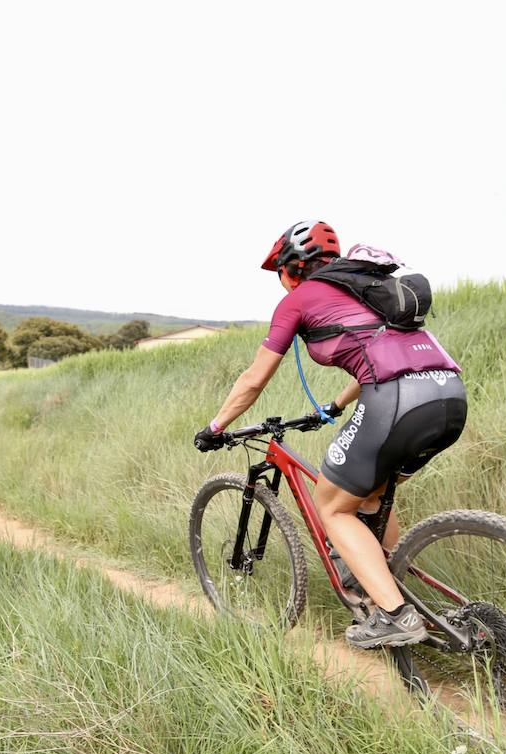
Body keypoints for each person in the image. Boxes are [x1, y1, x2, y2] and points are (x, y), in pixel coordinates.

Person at [194, 221, 467, 649]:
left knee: (334, 507)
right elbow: (380, 351)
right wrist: (336, 407)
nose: (282, 285)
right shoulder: (369, 287)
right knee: (371, 494)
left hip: (396, 400)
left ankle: (396, 616)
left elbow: (253, 379)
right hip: (448, 396)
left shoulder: (300, 300)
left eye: (280, 275)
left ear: (292, 268)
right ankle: (392, 589)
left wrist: (215, 428)